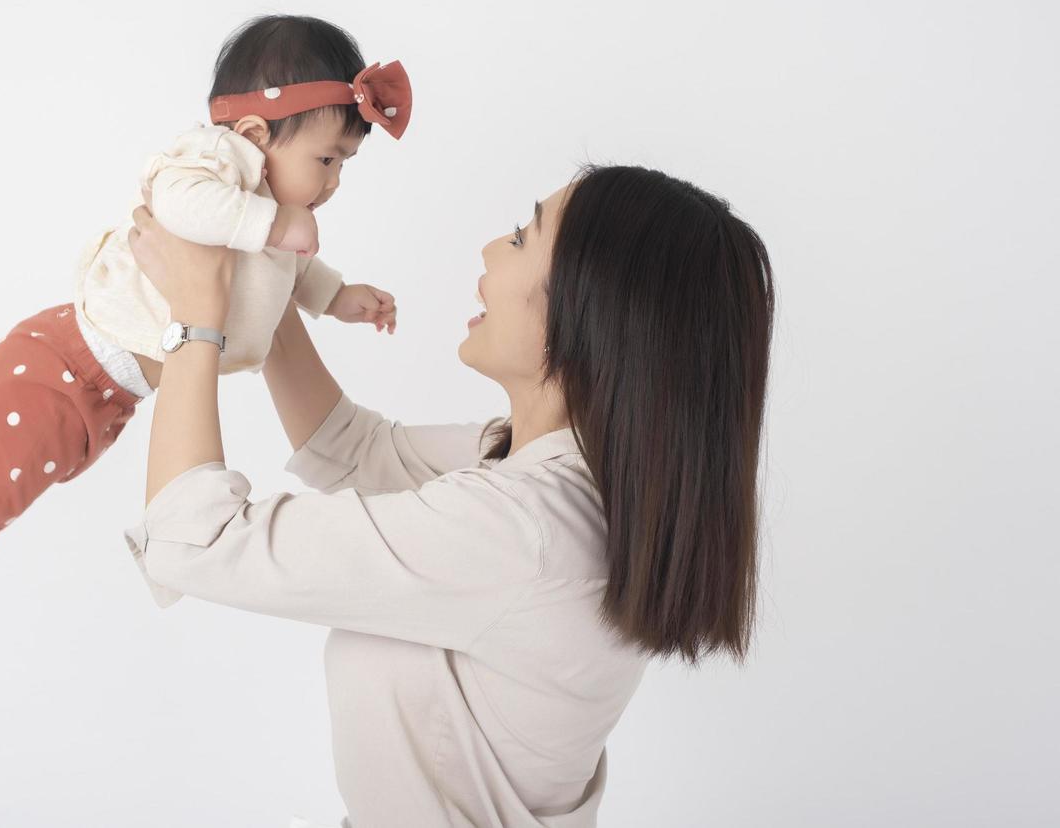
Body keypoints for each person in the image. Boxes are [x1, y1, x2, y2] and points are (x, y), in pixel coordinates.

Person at [125, 164, 775, 827]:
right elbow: (354, 450)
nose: (492, 248)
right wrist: (262, 271)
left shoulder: (522, 529)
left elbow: (192, 540)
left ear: (595, 309)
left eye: (523, 238)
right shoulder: (554, 479)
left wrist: (195, 322)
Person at [0, 15, 409, 670]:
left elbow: (290, 275)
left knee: (6, 459)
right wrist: (275, 221)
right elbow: (179, 204)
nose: (334, 183)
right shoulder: (216, 166)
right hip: (63, 365)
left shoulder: (268, 221)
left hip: (95, 386)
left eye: (344, 165)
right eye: (327, 160)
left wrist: (338, 297)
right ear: (256, 135)